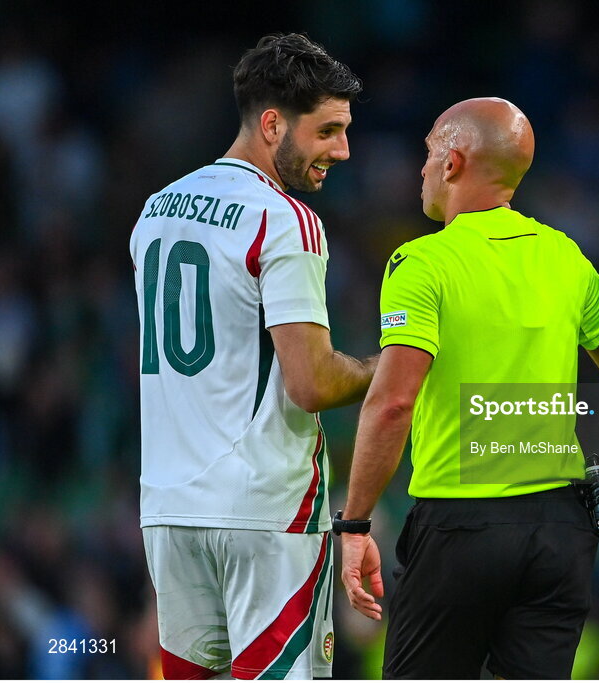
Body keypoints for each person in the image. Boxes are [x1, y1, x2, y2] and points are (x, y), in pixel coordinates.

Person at [336, 97, 599, 679]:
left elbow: (394, 402)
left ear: (453, 162)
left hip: (462, 527)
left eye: (426, 153)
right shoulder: (565, 256)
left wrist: (355, 523)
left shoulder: (423, 263)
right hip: (559, 529)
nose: (420, 169)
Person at [129, 34, 375, 679]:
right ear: (273, 125)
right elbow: (313, 382)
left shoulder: (155, 212)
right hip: (267, 512)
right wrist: (394, 366)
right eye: (328, 131)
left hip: (169, 508)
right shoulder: (283, 217)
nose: (342, 150)